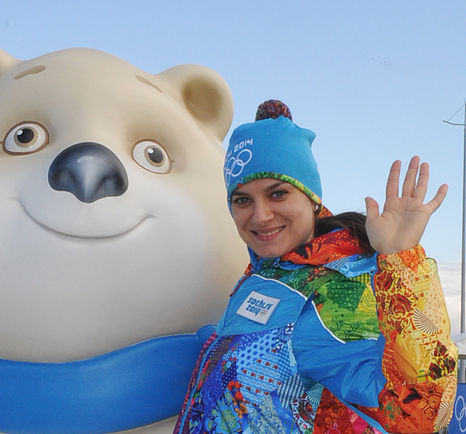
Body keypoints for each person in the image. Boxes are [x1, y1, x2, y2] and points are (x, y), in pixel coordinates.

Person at [174, 100, 457, 433]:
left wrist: (402, 263)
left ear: (311, 199)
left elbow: (419, 414)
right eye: (243, 200)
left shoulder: (335, 291)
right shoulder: (265, 275)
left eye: (278, 194)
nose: (260, 216)